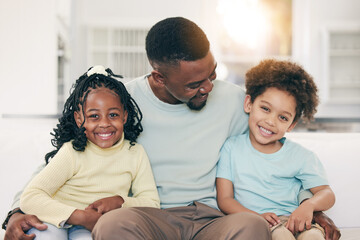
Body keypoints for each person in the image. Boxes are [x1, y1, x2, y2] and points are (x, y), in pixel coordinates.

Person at [3, 17, 341, 240]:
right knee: (111, 225)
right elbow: (65, 154)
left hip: (211, 217)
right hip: (150, 215)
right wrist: (17, 210)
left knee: (251, 226)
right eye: (195, 83)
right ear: (159, 76)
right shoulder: (122, 102)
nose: (208, 86)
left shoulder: (234, 100)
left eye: (212, 73)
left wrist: (313, 209)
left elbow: (277, 156)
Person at [18, 66, 160, 239]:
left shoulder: (135, 153)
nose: (104, 123)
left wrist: (120, 202)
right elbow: (30, 197)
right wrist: (79, 216)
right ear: (79, 119)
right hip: (56, 221)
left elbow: (152, 204)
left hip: (95, 226)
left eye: (113, 115)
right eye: (94, 116)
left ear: (125, 116)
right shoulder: (72, 152)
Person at [216, 59, 336, 240]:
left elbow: (327, 194)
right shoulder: (231, 148)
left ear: (291, 125)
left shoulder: (301, 156)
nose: (271, 121)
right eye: (265, 108)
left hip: (299, 220)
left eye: (282, 117)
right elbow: (225, 200)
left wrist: (308, 206)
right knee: (281, 237)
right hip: (264, 224)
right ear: (249, 104)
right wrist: (255, 217)